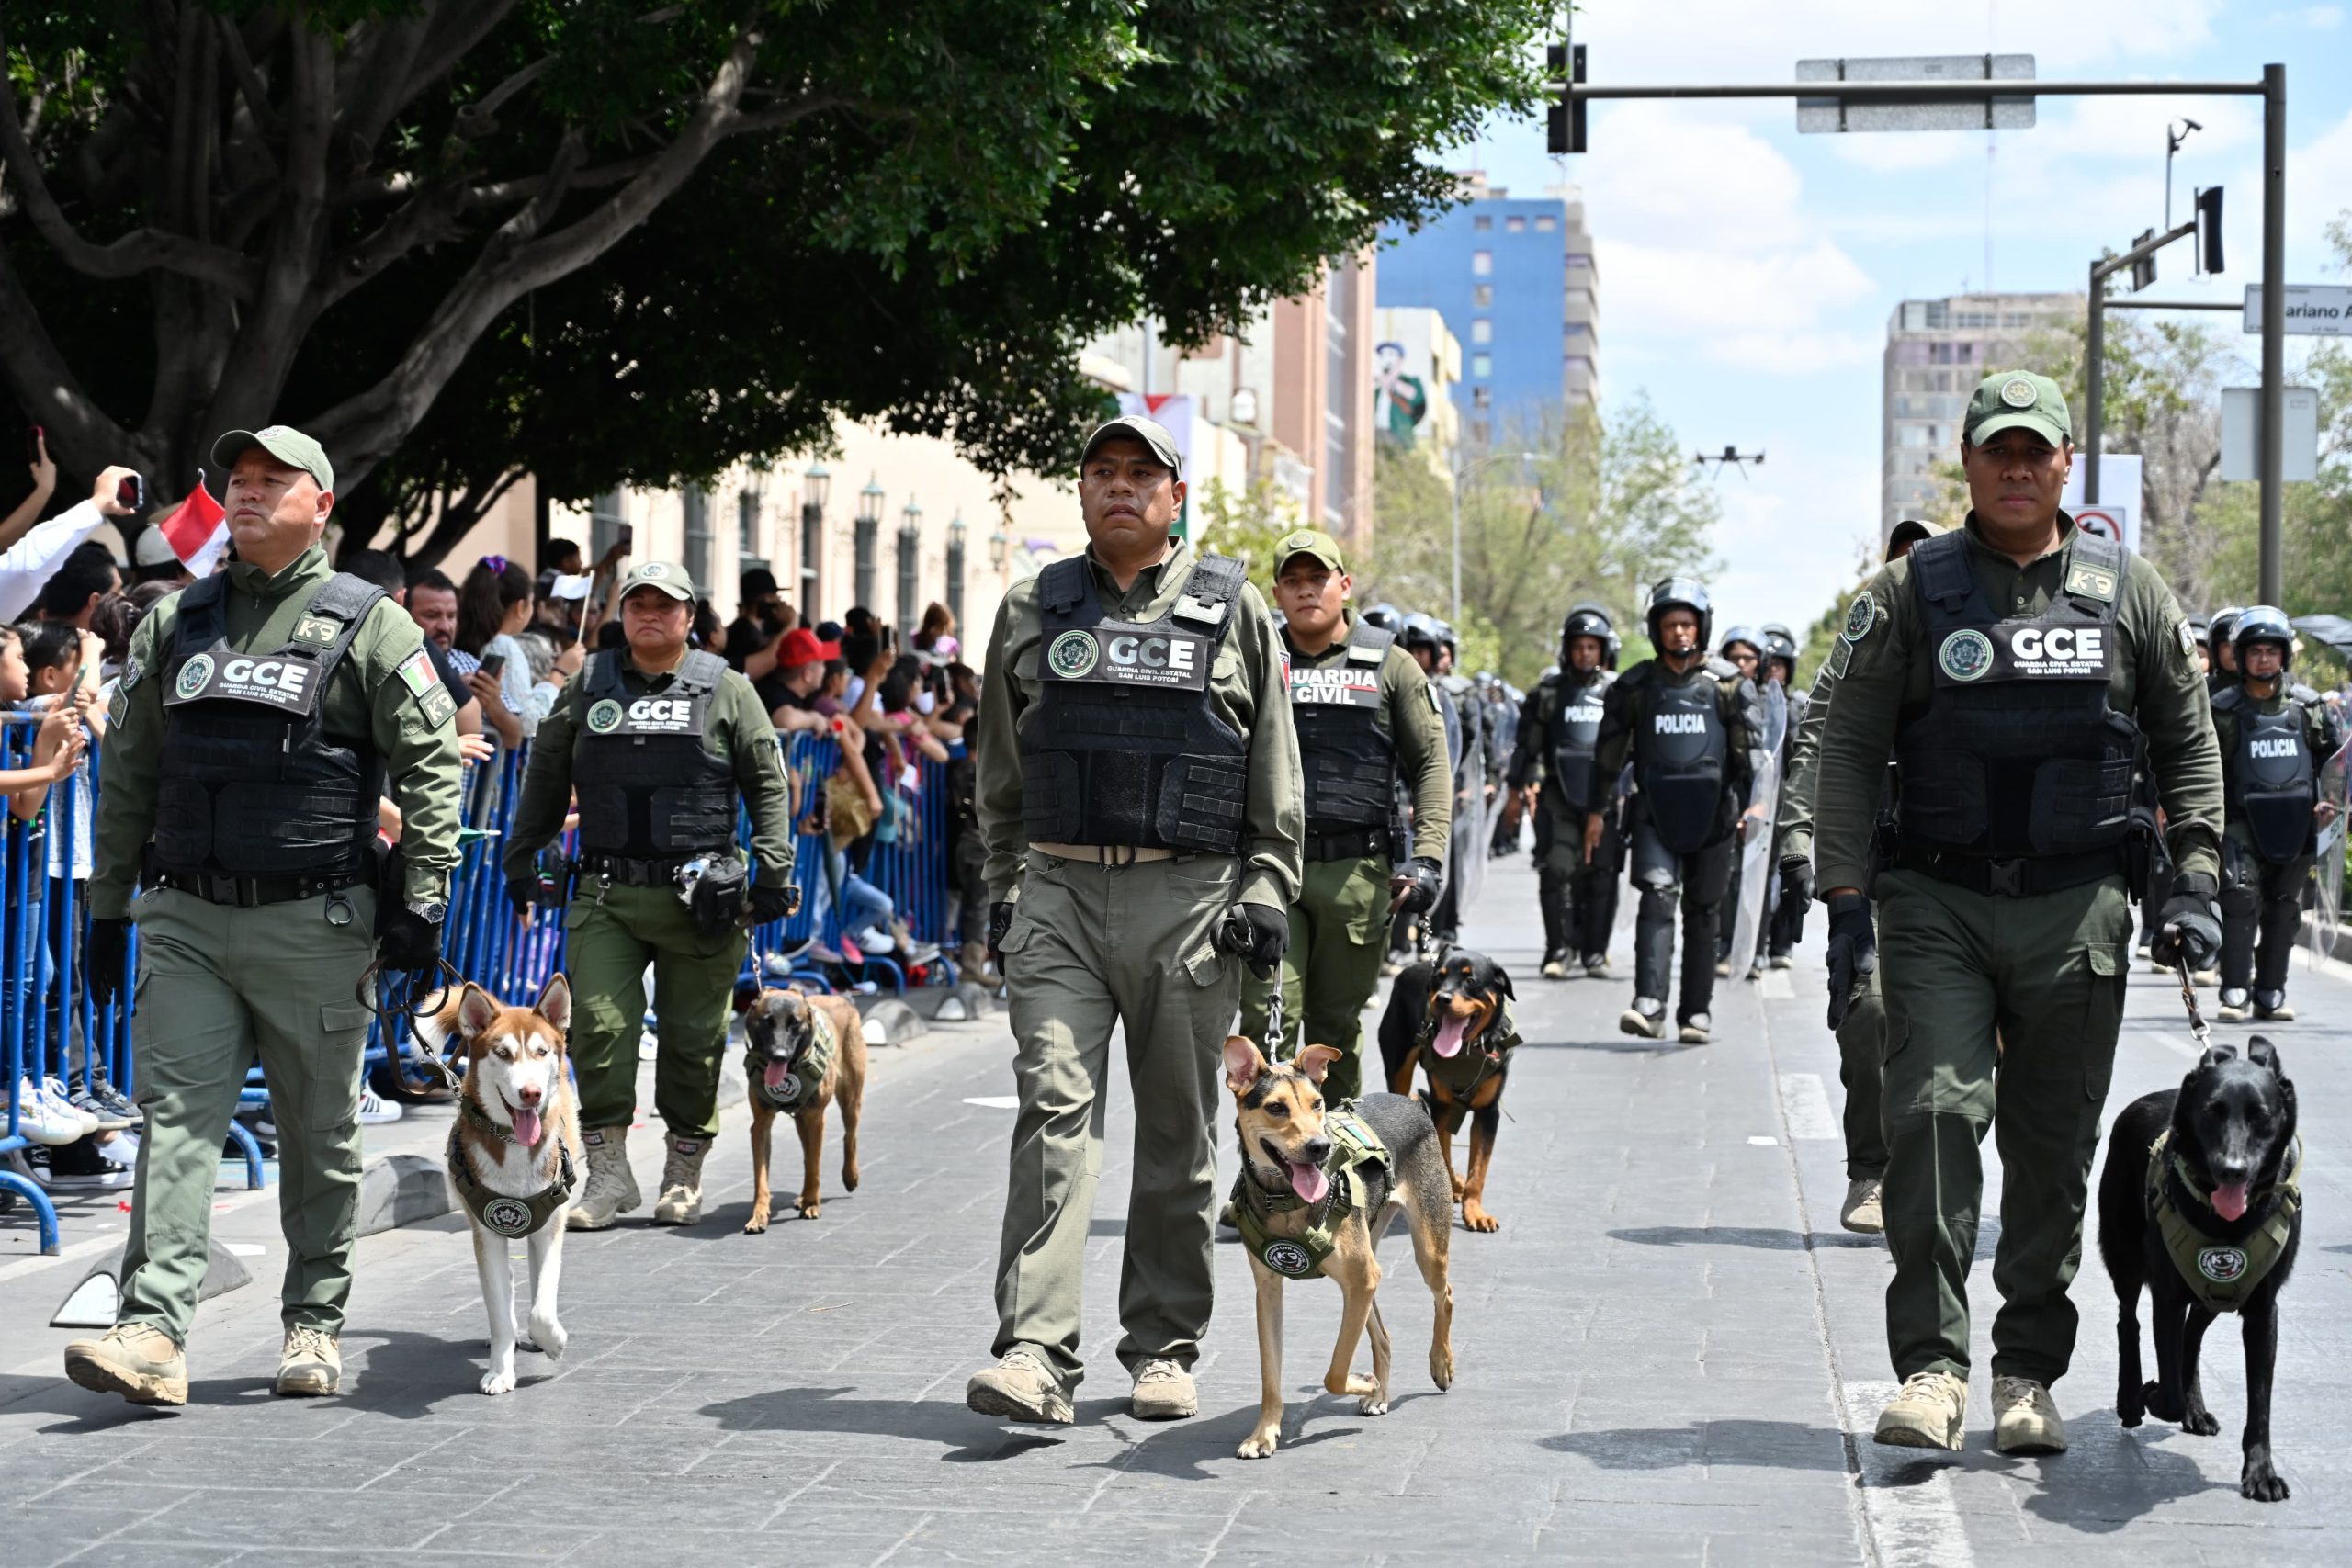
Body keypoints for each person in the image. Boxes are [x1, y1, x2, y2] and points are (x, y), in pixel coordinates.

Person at [1810, 371, 2223, 1456]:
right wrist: (1843, 895)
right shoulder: (1908, 592)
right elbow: (1847, 747)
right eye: (1998, 449)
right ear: (1965, 459)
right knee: (1935, 1118)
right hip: (1933, 900)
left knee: (2052, 1150)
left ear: (2064, 465)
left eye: (2035, 451)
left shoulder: (2128, 591)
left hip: (2076, 908)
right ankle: (1932, 1371)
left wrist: (2195, 876)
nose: (2016, 467)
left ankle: (2026, 1374)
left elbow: (2187, 739)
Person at [64, 424, 463, 1405]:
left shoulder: (372, 626)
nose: (246, 496)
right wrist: (108, 910)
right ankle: (152, 1330)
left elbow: (432, 766)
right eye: (236, 482)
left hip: (317, 925)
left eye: (270, 483)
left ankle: (314, 1324)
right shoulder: (177, 622)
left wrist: (421, 898)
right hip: (188, 921)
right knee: (176, 1125)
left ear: (320, 504)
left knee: (321, 1133)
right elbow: (131, 781)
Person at [967, 413, 1299, 1427]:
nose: (1120, 488)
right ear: (1079, 494)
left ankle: (1161, 1347)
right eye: (1101, 473)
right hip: (1060, 897)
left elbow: (1271, 768)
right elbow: (999, 768)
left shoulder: (1234, 606)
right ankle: (1034, 1353)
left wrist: (1267, 888)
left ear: (1175, 498)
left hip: (1189, 901)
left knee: (1177, 1138)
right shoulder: (1032, 604)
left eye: (1140, 475)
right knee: (1053, 1118)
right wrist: (1004, 882)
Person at [501, 560, 797, 1230]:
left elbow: (767, 783)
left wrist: (774, 871)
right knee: (599, 1028)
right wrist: (522, 856)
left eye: (666, 605)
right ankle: (607, 1175)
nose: (650, 615)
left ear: (690, 617)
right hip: (607, 890)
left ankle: (682, 1171)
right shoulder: (590, 684)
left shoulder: (727, 688)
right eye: (638, 604)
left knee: (694, 1041)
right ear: (623, 613)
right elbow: (548, 769)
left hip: (703, 900)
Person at [1772, 518, 1939, 1236]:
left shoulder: (1977, 640)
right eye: (1898, 561)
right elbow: (1815, 735)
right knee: (1867, 1011)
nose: (1908, 575)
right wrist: (1798, 835)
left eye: (1924, 561)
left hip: (1958, 867)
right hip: (1867, 857)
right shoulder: (1860, 641)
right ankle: (1870, 1170)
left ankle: (1936, 1174)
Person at [1238, 527, 1447, 1098]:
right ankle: (1268, 1173)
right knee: (1265, 1029)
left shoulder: (1392, 665)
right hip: (1268, 870)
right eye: (1293, 581)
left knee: (1333, 1032)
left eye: (1319, 578)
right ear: (1276, 594)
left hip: (1357, 873)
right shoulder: (1256, 659)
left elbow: (1430, 763)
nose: (1307, 591)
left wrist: (1428, 859)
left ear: (1344, 585)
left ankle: (1340, 1164)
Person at [1585, 579, 1757, 1044]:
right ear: (1656, 630)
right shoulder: (1635, 686)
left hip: (1715, 816)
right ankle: (1649, 1004)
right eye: (1670, 625)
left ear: (1701, 626)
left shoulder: (1729, 686)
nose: (1679, 632)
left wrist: (1756, 807)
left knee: (1704, 912)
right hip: (1653, 811)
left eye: (1686, 624)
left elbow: (1752, 756)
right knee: (1657, 900)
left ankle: (1695, 1014)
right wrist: (1596, 811)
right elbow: (1608, 755)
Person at [2211, 605, 2339, 1022]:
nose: (2263, 659)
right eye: (2255, 651)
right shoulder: (2223, 710)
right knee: (2239, 897)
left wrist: (2331, 802)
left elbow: (2333, 762)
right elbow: (2201, 765)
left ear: (2284, 655)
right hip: (2240, 820)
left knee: (2284, 908)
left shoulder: (2309, 709)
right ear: (2242, 655)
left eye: (2272, 651)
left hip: (2298, 821)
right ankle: (2234, 988)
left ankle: (2271, 993)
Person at [1510, 604, 1619, 979]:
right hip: (1558, 796)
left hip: (1605, 797)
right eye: (1579, 646)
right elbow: (1528, 746)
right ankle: (1557, 948)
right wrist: (1518, 788)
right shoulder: (1549, 693)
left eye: (1592, 646)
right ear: (1567, 649)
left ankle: (1594, 952)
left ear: (1603, 650)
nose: (1585, 654)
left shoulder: (1617, 692)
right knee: (1555, 871)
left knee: (1601, 873)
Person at [1711, 625, 1767, 978]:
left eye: (1748, 657)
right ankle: (1729, 946)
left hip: (1766, 799)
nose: (1742, 663)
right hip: (1729, 798)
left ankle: (1758, 949)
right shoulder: (1717, 696)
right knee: (1729, 878)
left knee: (1764, 877)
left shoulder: (1775, 703)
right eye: (1734, 658)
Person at [457, 556, 549, 746]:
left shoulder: (460, 642)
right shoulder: (504, 646)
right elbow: (528, 720)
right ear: (521, 607)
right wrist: (553, 682)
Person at [1758, 622, 1805, 969]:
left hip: (1788, 805)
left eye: (1780, 665)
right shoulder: (1750, 704)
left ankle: (1782, 944)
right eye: (1769, 664)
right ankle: (1752, 944)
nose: (1774, 671)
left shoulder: (1799, 706)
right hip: (1758, 805)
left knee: (1791, 873)